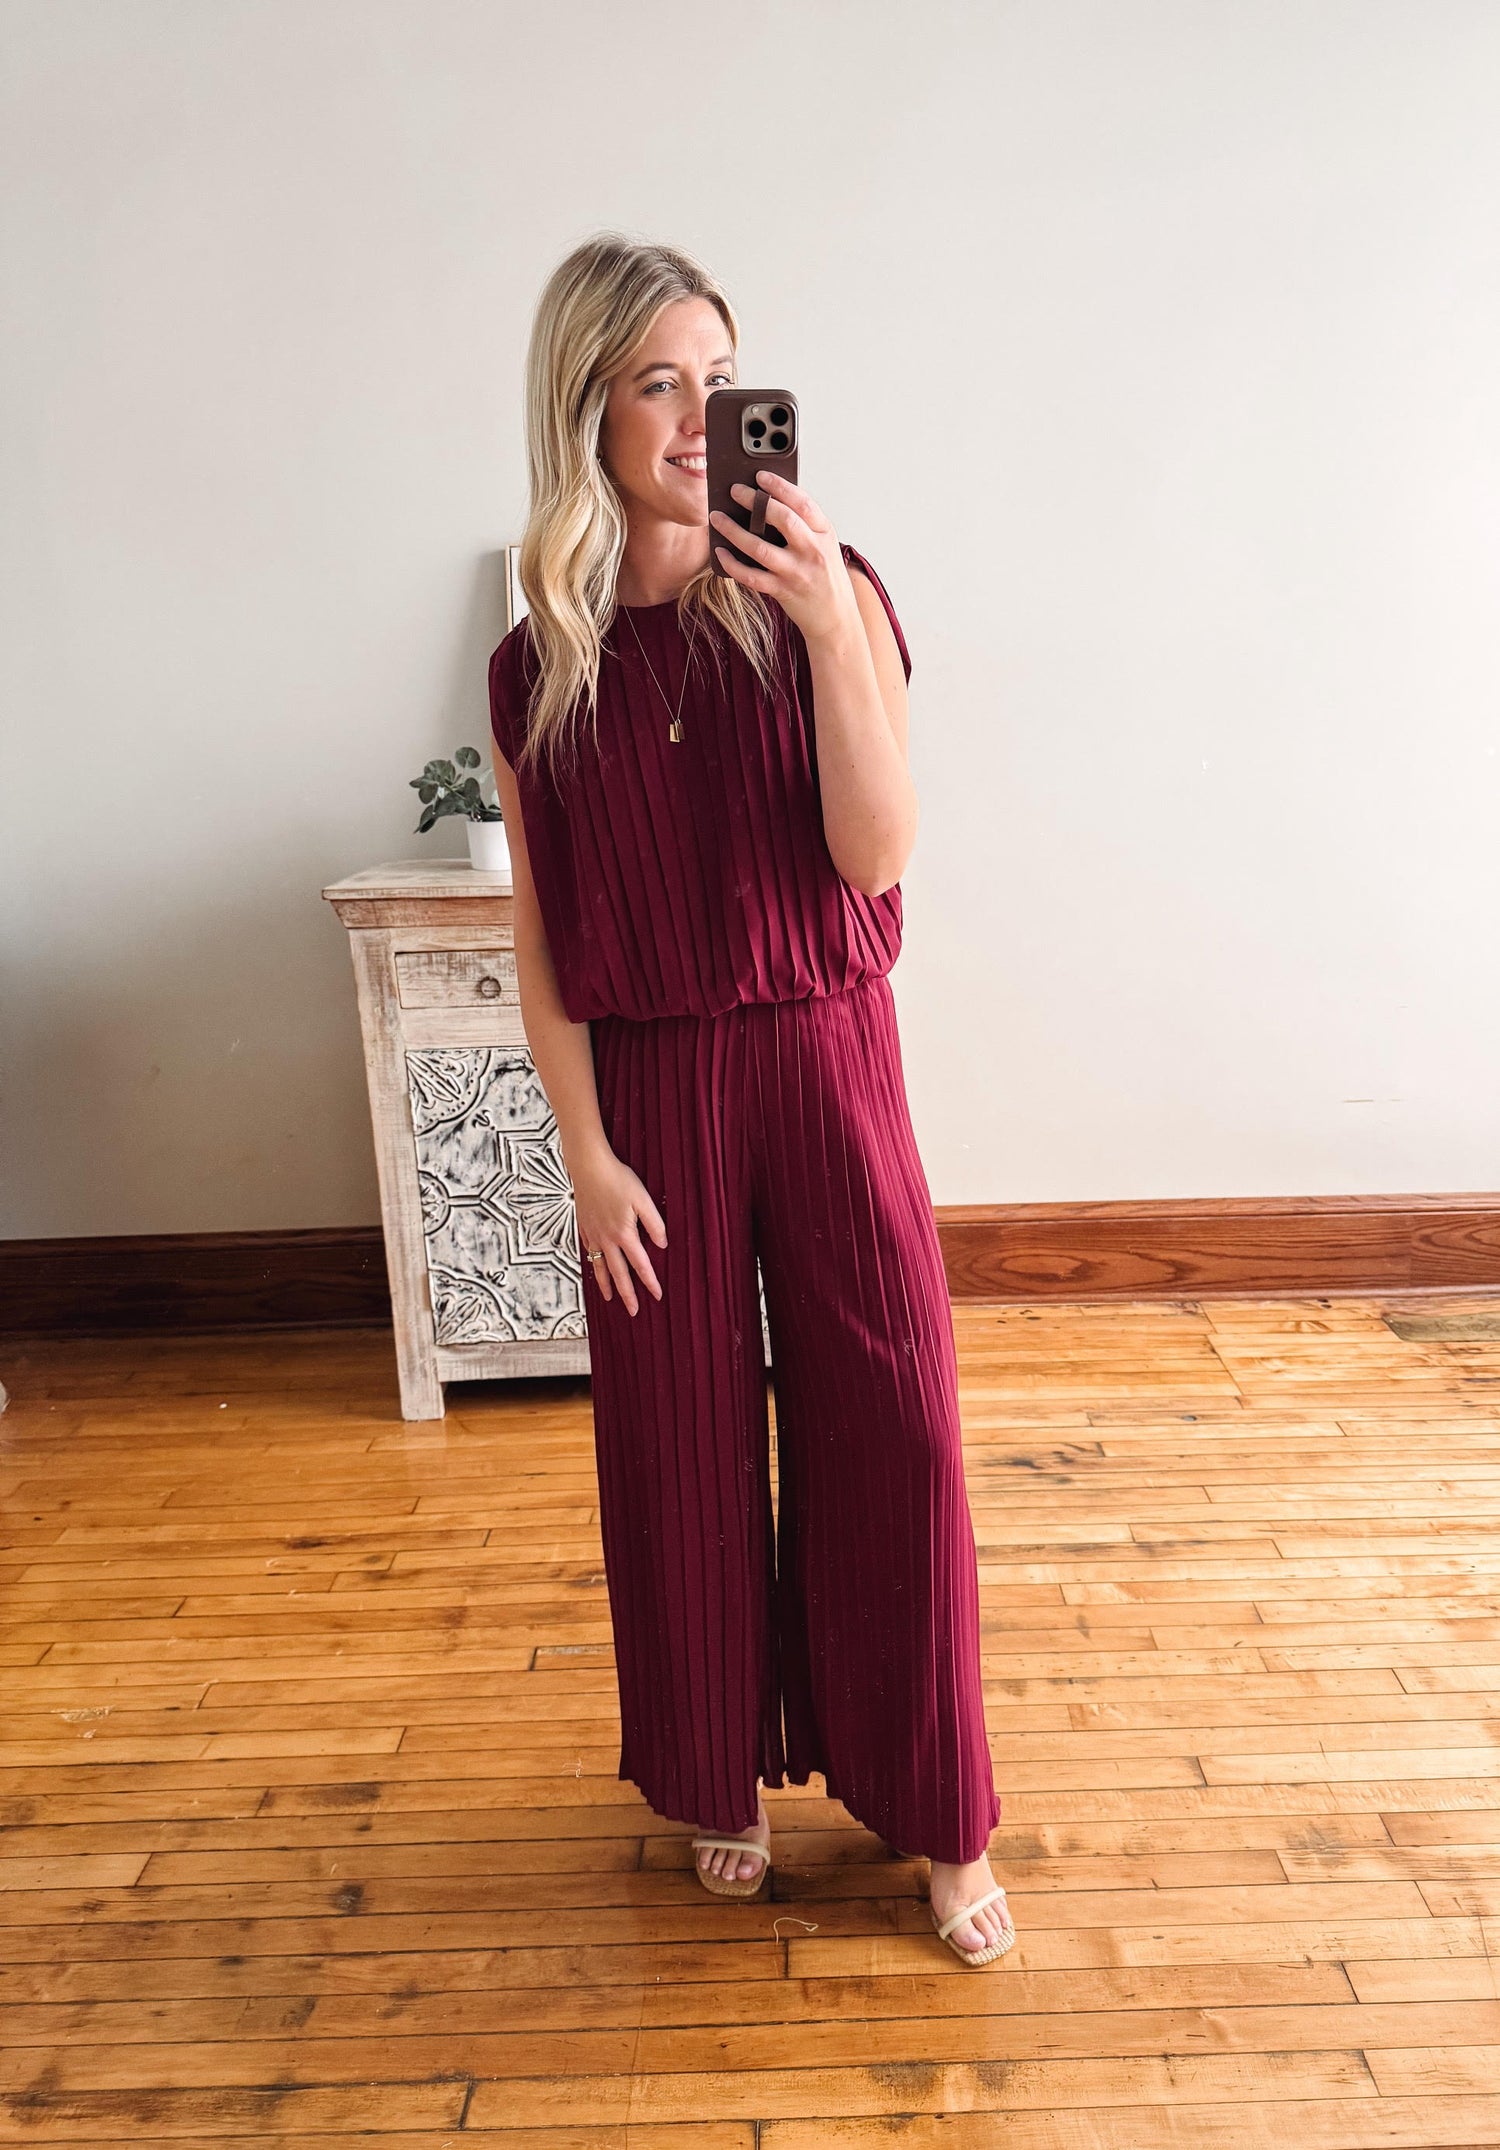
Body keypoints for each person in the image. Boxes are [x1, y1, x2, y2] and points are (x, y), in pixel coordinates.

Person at [486, 232, 1013, 1968]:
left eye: (721, 379)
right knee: (677, 1446)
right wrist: (584, 1154)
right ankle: (720, 1773)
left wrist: (827, 630)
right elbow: (542, 935)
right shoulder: (537, 667)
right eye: (659, 383)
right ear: (587, 409)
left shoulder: (829, 591)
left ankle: (939, 1813)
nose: (700, 417)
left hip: (827, 1055)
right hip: (651, 1086)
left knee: (896, 1421)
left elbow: (877, 851)